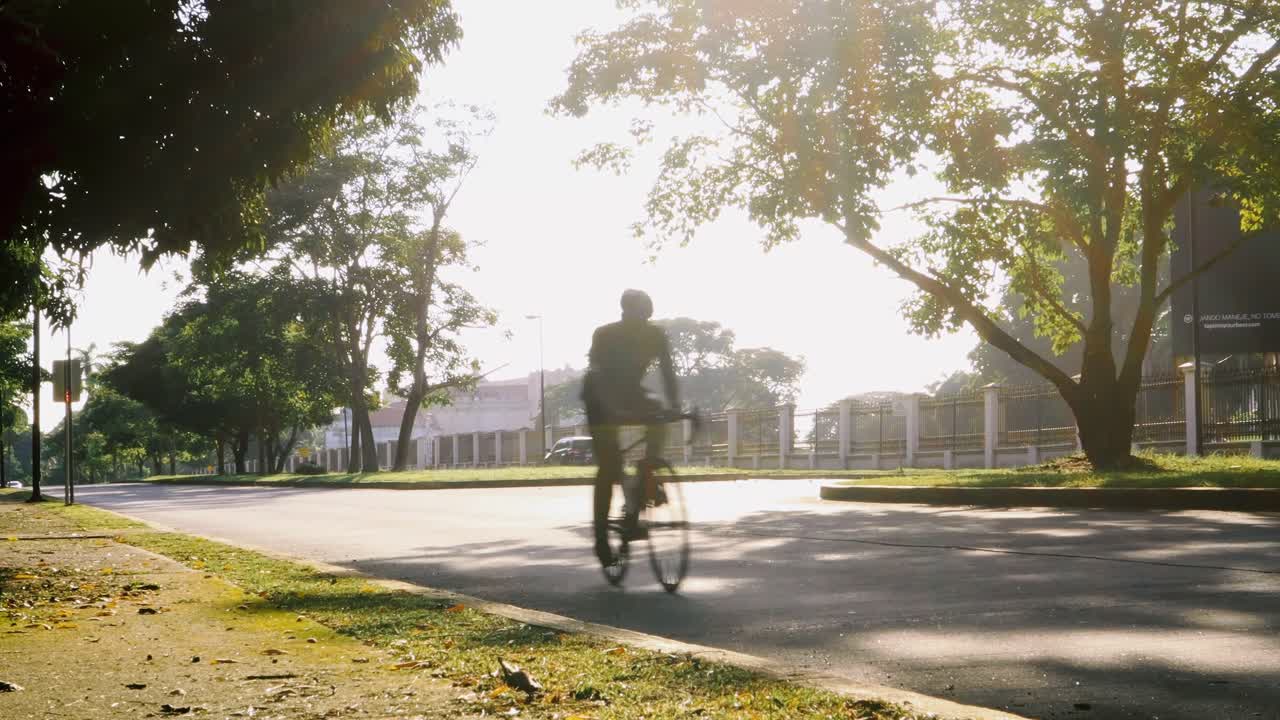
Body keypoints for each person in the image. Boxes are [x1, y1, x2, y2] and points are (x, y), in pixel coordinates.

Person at [581, 289, 680, 566]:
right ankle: (601, 539)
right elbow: (598, 375)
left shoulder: (655, 336)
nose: (641, 318)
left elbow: (668, 373)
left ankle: (646, 475)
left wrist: (674, 406)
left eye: (645, 313)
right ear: (624, 311)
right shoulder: (605, 334)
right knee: (609, 466)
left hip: (631, 393)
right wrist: (611, 409)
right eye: (635, 312)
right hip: (599, 399)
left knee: (659, 418)